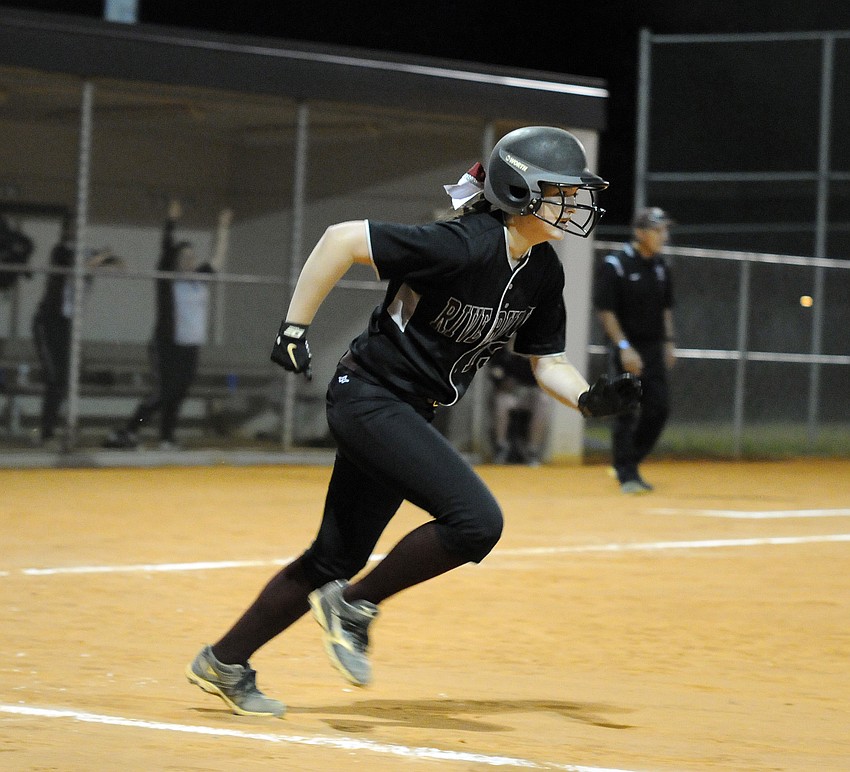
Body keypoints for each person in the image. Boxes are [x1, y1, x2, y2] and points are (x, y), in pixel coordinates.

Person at [185, 126, 640, 718]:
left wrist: (586, 401)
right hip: (369, 398)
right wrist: (293, 329)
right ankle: (354, 607)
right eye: (559, 191)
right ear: (517, 190)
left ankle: (224, 661)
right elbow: (342, 238)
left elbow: (546, 361)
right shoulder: (463, 243)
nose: (571, 203)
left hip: (404, 410)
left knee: (332, 557)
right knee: (477, 522)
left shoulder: (540, 270)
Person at [104, 200, 231, 450]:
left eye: (192, 257)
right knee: (163, 392)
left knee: (179, 393)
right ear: (175, 260)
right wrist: (171, 222)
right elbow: (165, 249)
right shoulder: (169, 280)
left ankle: (166, 437)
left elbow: (218, 256)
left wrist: (223, 227)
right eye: (185, 257)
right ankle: (129, 430)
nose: (190, 261)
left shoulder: (200, 278)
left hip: (190, 346)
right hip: (167, 345)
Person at [592, 206, 677, 494]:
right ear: (640, 233)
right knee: (626, 411)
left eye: (664, 229)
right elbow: (606, 311)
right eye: (657, 230)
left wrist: (669, 341)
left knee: (659, 409)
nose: (663, 235)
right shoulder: (616, 264)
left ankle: (629, 462)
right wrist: (624, 347)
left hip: (653, 346)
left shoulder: (661, 267)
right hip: (626, 347)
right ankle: (627, 474)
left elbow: (666, 308)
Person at [31, 216, 121, 448]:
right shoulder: (60, 250)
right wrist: (98, 258)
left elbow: (118, 264)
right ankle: (46, 435)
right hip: (49, 321)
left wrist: (102, 258)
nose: (76, 231)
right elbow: (79, 265)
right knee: (56, 377)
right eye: (72, 227)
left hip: (68, 325)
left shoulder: (88, 252)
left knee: (66, 379)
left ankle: (60, 430)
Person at [488, 343, 552, 465]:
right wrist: (503, 382)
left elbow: (544, 378)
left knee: (543, 400)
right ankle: (501, 447)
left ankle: (532, 450)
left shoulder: (536, 352)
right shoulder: (501, 351)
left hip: (530, 395)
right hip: (510, 395)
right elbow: (495, 374)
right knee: (501, 401)